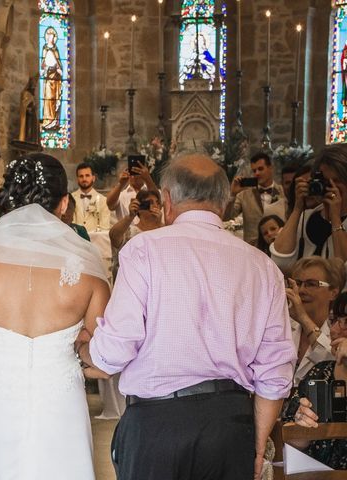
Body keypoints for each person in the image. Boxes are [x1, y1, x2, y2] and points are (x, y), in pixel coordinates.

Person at [79, 153, 297, 480]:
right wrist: (258, 441)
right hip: (229, 423)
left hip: (157, 423)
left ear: (166, 201)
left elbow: (114, 352)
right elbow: (275, 368)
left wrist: (86, 348)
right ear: (223, 204)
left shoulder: (143, 250)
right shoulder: (261, 266)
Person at [0, 153, 110, 480]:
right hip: (60, 398)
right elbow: (104, 357)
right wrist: (78, 350)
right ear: (64, 203)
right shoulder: (88, 267)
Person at [283, 291, 347, 470]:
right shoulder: (320, 372)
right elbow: (290, 443)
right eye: (333, 321)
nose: (334, 330)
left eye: (345, 322)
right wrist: (301, 431)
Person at [271, 145, 347, 270]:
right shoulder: (308, 217)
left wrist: (335, 219)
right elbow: (279, 261)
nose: (331, 186)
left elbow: (343, 268)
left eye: (337, 180)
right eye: (326, 181)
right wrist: (298, 208)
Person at [285, 256, 344, 385]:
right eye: (298, 283)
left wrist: (303, 318)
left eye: (311, 284)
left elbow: (333, 361)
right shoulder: (281, 326)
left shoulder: (340, 331)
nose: (301, 290)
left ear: (333, 292)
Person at [225, 152, 287, 245]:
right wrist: (232, 194)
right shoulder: (244, 195)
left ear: (270, 168)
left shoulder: (283, 192)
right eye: (254, 171)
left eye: (260, 169)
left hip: (280, 244)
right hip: (253, 247)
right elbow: (227, 216)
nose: (257, 173)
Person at [71, 162, 110, 233]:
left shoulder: (103, 200)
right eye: (81, 176)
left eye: (87, 175)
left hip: (96, 240)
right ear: (77, 179)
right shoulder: (71, 198)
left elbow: (105, 227)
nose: (84, 179)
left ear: (93, 178)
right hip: (75, 239)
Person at [40, 27, 63, 130]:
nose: (51, 38)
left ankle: (54, 121)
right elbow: (42, 64)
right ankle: (47, 121)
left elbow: (59, 64)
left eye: (52, 36)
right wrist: (46, 68)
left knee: (54, 100)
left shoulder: (56, 50)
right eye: (49, 36)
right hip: (48, 79)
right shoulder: (45, 49)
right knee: (48, 99)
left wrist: (58, 70)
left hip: (56, 79)